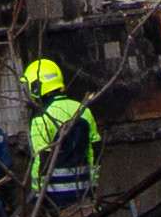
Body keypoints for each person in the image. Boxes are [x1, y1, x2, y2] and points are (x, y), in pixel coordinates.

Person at [20, 57, 103, 203]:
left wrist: (37, 196)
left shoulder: (41, 119)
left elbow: (41, 161)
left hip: (55, 198)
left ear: (37, 86)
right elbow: (95, 152)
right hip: (83, 193)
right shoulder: (83, 110)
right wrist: (93, 186)